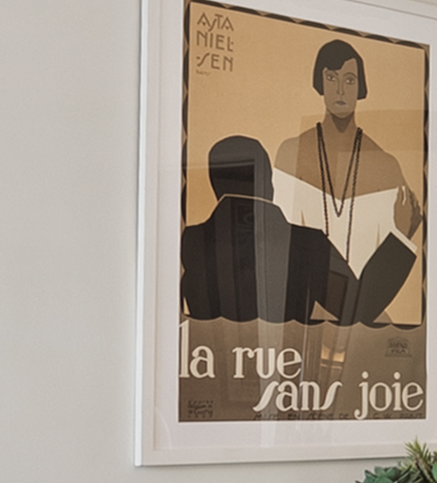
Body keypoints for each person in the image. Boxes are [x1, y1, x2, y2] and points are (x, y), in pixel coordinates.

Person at [277, 38, 420, 358]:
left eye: (350, 79)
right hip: (305, 324)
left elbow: (378, 281)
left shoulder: (386, 166)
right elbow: (287, 248)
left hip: (367, 328)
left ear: (361, 87)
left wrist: (401, 235)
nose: (340, 89)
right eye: (331, 78)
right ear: (320, 82)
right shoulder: (291, 154)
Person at [179, 133, 348, 325]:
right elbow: (353, 308)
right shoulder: (310, 243)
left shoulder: (189, 242)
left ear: (215, 186)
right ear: (268, 183)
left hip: (204, 346)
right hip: (288, 345)